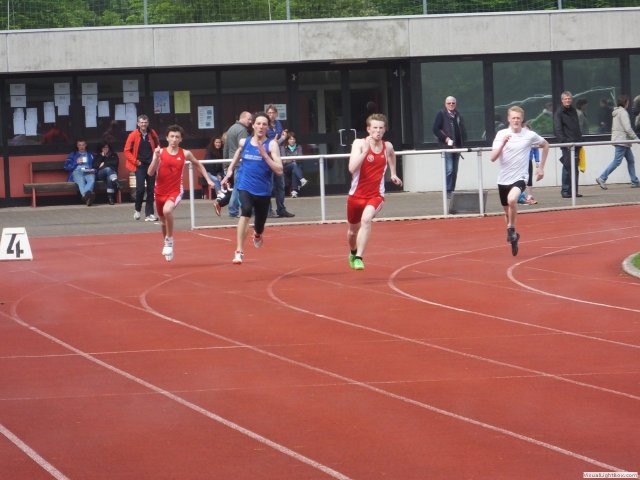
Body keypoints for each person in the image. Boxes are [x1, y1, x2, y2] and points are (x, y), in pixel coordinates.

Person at [221, 112, 283, 265]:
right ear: (253, 125)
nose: (261, 127)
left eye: (264, 124)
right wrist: (229, 171)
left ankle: (258, 233)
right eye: (258, 124)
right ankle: (239, 251)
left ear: (268, 127)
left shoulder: (272, 145)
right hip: (245, 185)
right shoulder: (244, 142)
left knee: (259, 223)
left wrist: (265, 156)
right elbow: (238, 152)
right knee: (246, 211)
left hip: (263, 190)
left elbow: (279, 170)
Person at [147, 124, 214, 262]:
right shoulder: (160, 152)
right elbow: (150, 172)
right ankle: (166, 242)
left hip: (175, 191)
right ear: (167, 138)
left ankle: (170, 240)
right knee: (163, 222)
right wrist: (155, 158)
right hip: (159, 191)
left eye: (177, 137)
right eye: (172, 136)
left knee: (167, 211)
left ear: (181, 139)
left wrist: (208, 180)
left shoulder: (185, 153)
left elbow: (198, 164)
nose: (174, 139)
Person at [347, 113, 402, 271]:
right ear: (368, 129)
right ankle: (353, 252)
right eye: (375, 128)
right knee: (352, 232)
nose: (378, 131)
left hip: (376, 195)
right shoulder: (359, 143)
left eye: (381, 128)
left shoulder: (387, 146)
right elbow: (351, 168)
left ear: (384, 129)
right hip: (355, 196)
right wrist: (365, 152)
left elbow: (392, 155)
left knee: (366, 220)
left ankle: (359, 257)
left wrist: (393, 173)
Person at [491, 106, 549, 256]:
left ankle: (511, 228)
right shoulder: (501, 134)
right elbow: (492, 158)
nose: (516, 120)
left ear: (522, 119)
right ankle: (514, 235)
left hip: (521, 177)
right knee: (506, 211)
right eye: (513, 118)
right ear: (508, 119)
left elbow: (545, 144)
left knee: (512, 200)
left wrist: (541, 168)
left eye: (518, 118)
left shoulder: (529, 135)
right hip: (503, 179)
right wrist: (503, 144)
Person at [596, 94, 639, 190]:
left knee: (631, 160)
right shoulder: (623, 113)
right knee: (617, 161)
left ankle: (634, 181)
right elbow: (628, 128)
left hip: (621, 140)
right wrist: (636, 138)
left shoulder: (616, 112)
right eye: (628, 102)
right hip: (622, 141)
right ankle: (602, 178)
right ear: (626, 103)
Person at [125, 114, 161, 221]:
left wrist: (156, 159)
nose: (143, 124)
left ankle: (149, 214)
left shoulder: (152, 133)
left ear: (148, 123)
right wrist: (136, 162)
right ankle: (137, 210)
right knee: (140, 189)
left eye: (145, 122)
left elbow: (158, 146)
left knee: (151, 190)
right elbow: (126, 151)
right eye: (141, 122)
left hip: (151, 165)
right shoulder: (133, 135)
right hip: (139, 165)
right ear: (138, 123)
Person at [432, 96, 467, 197]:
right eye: (449, 103)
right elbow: (435, 129)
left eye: (453, 103)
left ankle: (452, 190)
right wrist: (446, 139)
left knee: (455, 170)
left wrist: (462, 142)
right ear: (445, 104)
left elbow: (462, 129)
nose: (451, 104)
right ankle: (447, 191)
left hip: (457, 147)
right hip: (446, 147)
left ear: (455, 104)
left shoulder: (458, 114)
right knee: (449, 169)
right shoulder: (441, 114)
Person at [223, 111, 253, 218]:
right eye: (249, 119)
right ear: (243, 118)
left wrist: (226, 164)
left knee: (237, 186)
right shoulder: (242, 130)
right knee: (238, 187)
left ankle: (233, 209)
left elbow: (226, 148)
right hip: (240, 162)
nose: (250, 121)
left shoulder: (231, 129)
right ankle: (233, 209)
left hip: (233, 162)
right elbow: (244, 148)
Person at [266, 104, 294, 218]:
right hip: (268, 160)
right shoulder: (265, 126)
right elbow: (271, 144)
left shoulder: (278, 124)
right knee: (269, 186)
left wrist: (282, 156)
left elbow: (280, 144)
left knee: (280, 185)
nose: (271, 115)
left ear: (276, 114)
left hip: (278, 159)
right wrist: (282, 138)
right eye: (269, 113)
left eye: (273, 113)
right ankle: (268, 211)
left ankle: (281, 209)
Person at [554, 91, 583, 198]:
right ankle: (565, 191)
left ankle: (574, 191)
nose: (567, 100)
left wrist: (580, 141)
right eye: (565, 99)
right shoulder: (559, 113)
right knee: (567, 168)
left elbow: (577, 127)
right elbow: (558, 130)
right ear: (562, 100)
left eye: (569, 98)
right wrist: (564, 142)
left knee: (575, 168)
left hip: (576, 144)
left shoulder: (573, 110)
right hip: (567, 145)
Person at [64, 139, 96, 206]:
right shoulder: (73, 154)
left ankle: (85, 197)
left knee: (92, 180)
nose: (81, 147)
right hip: (77, 171)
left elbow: (96, 165)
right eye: (79, 145)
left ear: (86, 145)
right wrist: (76, 162)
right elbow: (66, 166)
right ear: (77, 146)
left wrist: (94, 169)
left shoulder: (90, 155)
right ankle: (88, 198)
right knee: (81, 181)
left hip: (88, 170)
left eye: (83, 145)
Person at [280, 131, 308, 198]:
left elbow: (300, 158)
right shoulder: (283, 147)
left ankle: (294, 192)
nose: (292, 141)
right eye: (290, 139)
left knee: (294, 170)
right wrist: (293, 160)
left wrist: (292, 160)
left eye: (293, 139)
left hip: (296, 167)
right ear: (287, 140)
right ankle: (301, 179)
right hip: (286, 168)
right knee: (294, 164)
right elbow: (284, 161)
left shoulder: (299, 147)